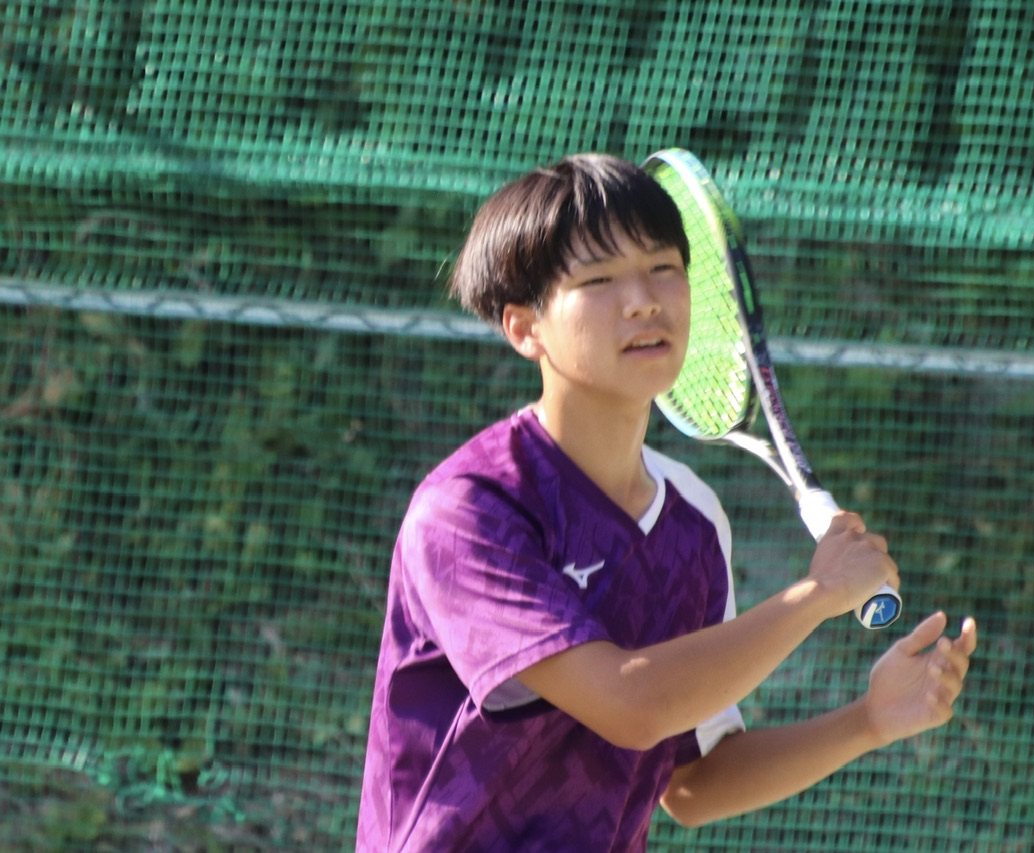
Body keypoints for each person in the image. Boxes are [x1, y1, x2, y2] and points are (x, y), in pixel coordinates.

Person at [356, 153, 978, 852]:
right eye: (598, 279)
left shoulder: (694, 521)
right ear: (525, 328)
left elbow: (692, 781)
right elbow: (631, 706)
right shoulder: (469, 510)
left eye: (662, 268)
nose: (644, 300)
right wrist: (819, 594)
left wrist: (868, 720)